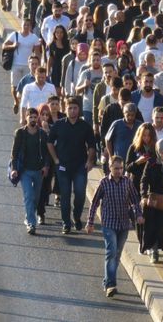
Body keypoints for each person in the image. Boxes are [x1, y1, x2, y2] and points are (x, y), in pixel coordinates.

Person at [86, 155, 144, 298]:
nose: (119, 171)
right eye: (116, 168)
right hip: (109, 224)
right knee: (111, 252)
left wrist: (138, 215)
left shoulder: (127, 182)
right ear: (110, 168)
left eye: (121, 168)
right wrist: (90, 222)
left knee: (117, 255)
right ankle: (111, 285)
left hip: (124, 224)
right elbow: (94, 203)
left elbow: (135, 200)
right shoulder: (104, 183)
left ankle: (107, 280)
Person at [47, 96, 96, 234]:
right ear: (65, 109)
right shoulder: (59, 125)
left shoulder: (85, 126)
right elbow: (49, 142)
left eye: (75, 108)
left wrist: (90, 161)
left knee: (80, 194)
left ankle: (77, 216)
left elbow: (92, 145)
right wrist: (55, 159)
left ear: (79, 109)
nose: (72, 110)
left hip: (80, 166)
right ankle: (66, 223)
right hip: (63, 167)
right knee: (65, 195)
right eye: (70, 108)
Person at [10, 107, 49, 234]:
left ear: (37, 118)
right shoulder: (20, 133)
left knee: (36, 197)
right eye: (30, 117)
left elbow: (46, 152)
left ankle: (29, 216)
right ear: (26, 118)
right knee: (28, 195)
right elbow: (14, 153)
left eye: (34, 117)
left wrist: (46, 165)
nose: (32, 119)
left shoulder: (42, 134)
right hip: (25, 171)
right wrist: (14, 169)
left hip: (38, 170)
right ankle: (31, 224)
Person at [140, 139, 163, 263]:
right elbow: (144, 180)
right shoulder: (151, 163)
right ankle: (153, 251)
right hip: (154, 200)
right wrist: (144, 196)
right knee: (152, 226)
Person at [2, 19, 41, 114]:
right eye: (25, 25)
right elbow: (4, 46)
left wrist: (39, 64)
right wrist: (13, 46)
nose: (26, 27)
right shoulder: (15, 35)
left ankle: (26, 105)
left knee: (26, 86)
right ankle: (16, 101)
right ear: (21, 25)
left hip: (28, 66)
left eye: (28, 25)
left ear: (31, 27)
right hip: (16, 64)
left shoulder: (34, 38)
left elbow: (37, 52)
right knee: (14, 86)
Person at [125, 123, 157, 195]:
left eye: (149, 136)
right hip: (136, 183)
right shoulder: (133, 147)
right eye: (144, 135)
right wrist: (137, 162)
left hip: (151, 184)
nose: (146, 138)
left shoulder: (156, 148)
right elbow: (127, 168)